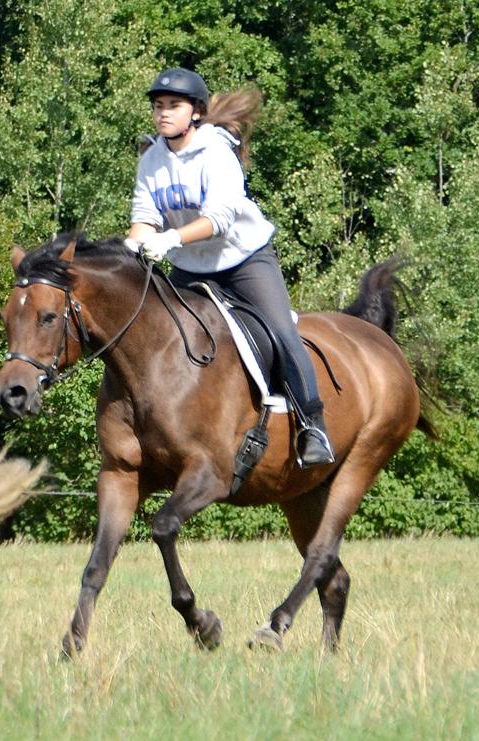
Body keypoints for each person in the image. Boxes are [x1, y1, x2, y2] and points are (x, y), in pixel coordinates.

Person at [125, 67, 335, 467]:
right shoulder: (151, 158)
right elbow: (144, 216)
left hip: (243, 258)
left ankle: (313, 426)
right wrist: (132, 245)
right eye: (158, 106)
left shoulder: (217, 152)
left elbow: (219, 219)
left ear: (197, 112)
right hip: (190, 265)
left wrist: (170, 239)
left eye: (173, 106)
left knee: (280, 330)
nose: (163, 113)